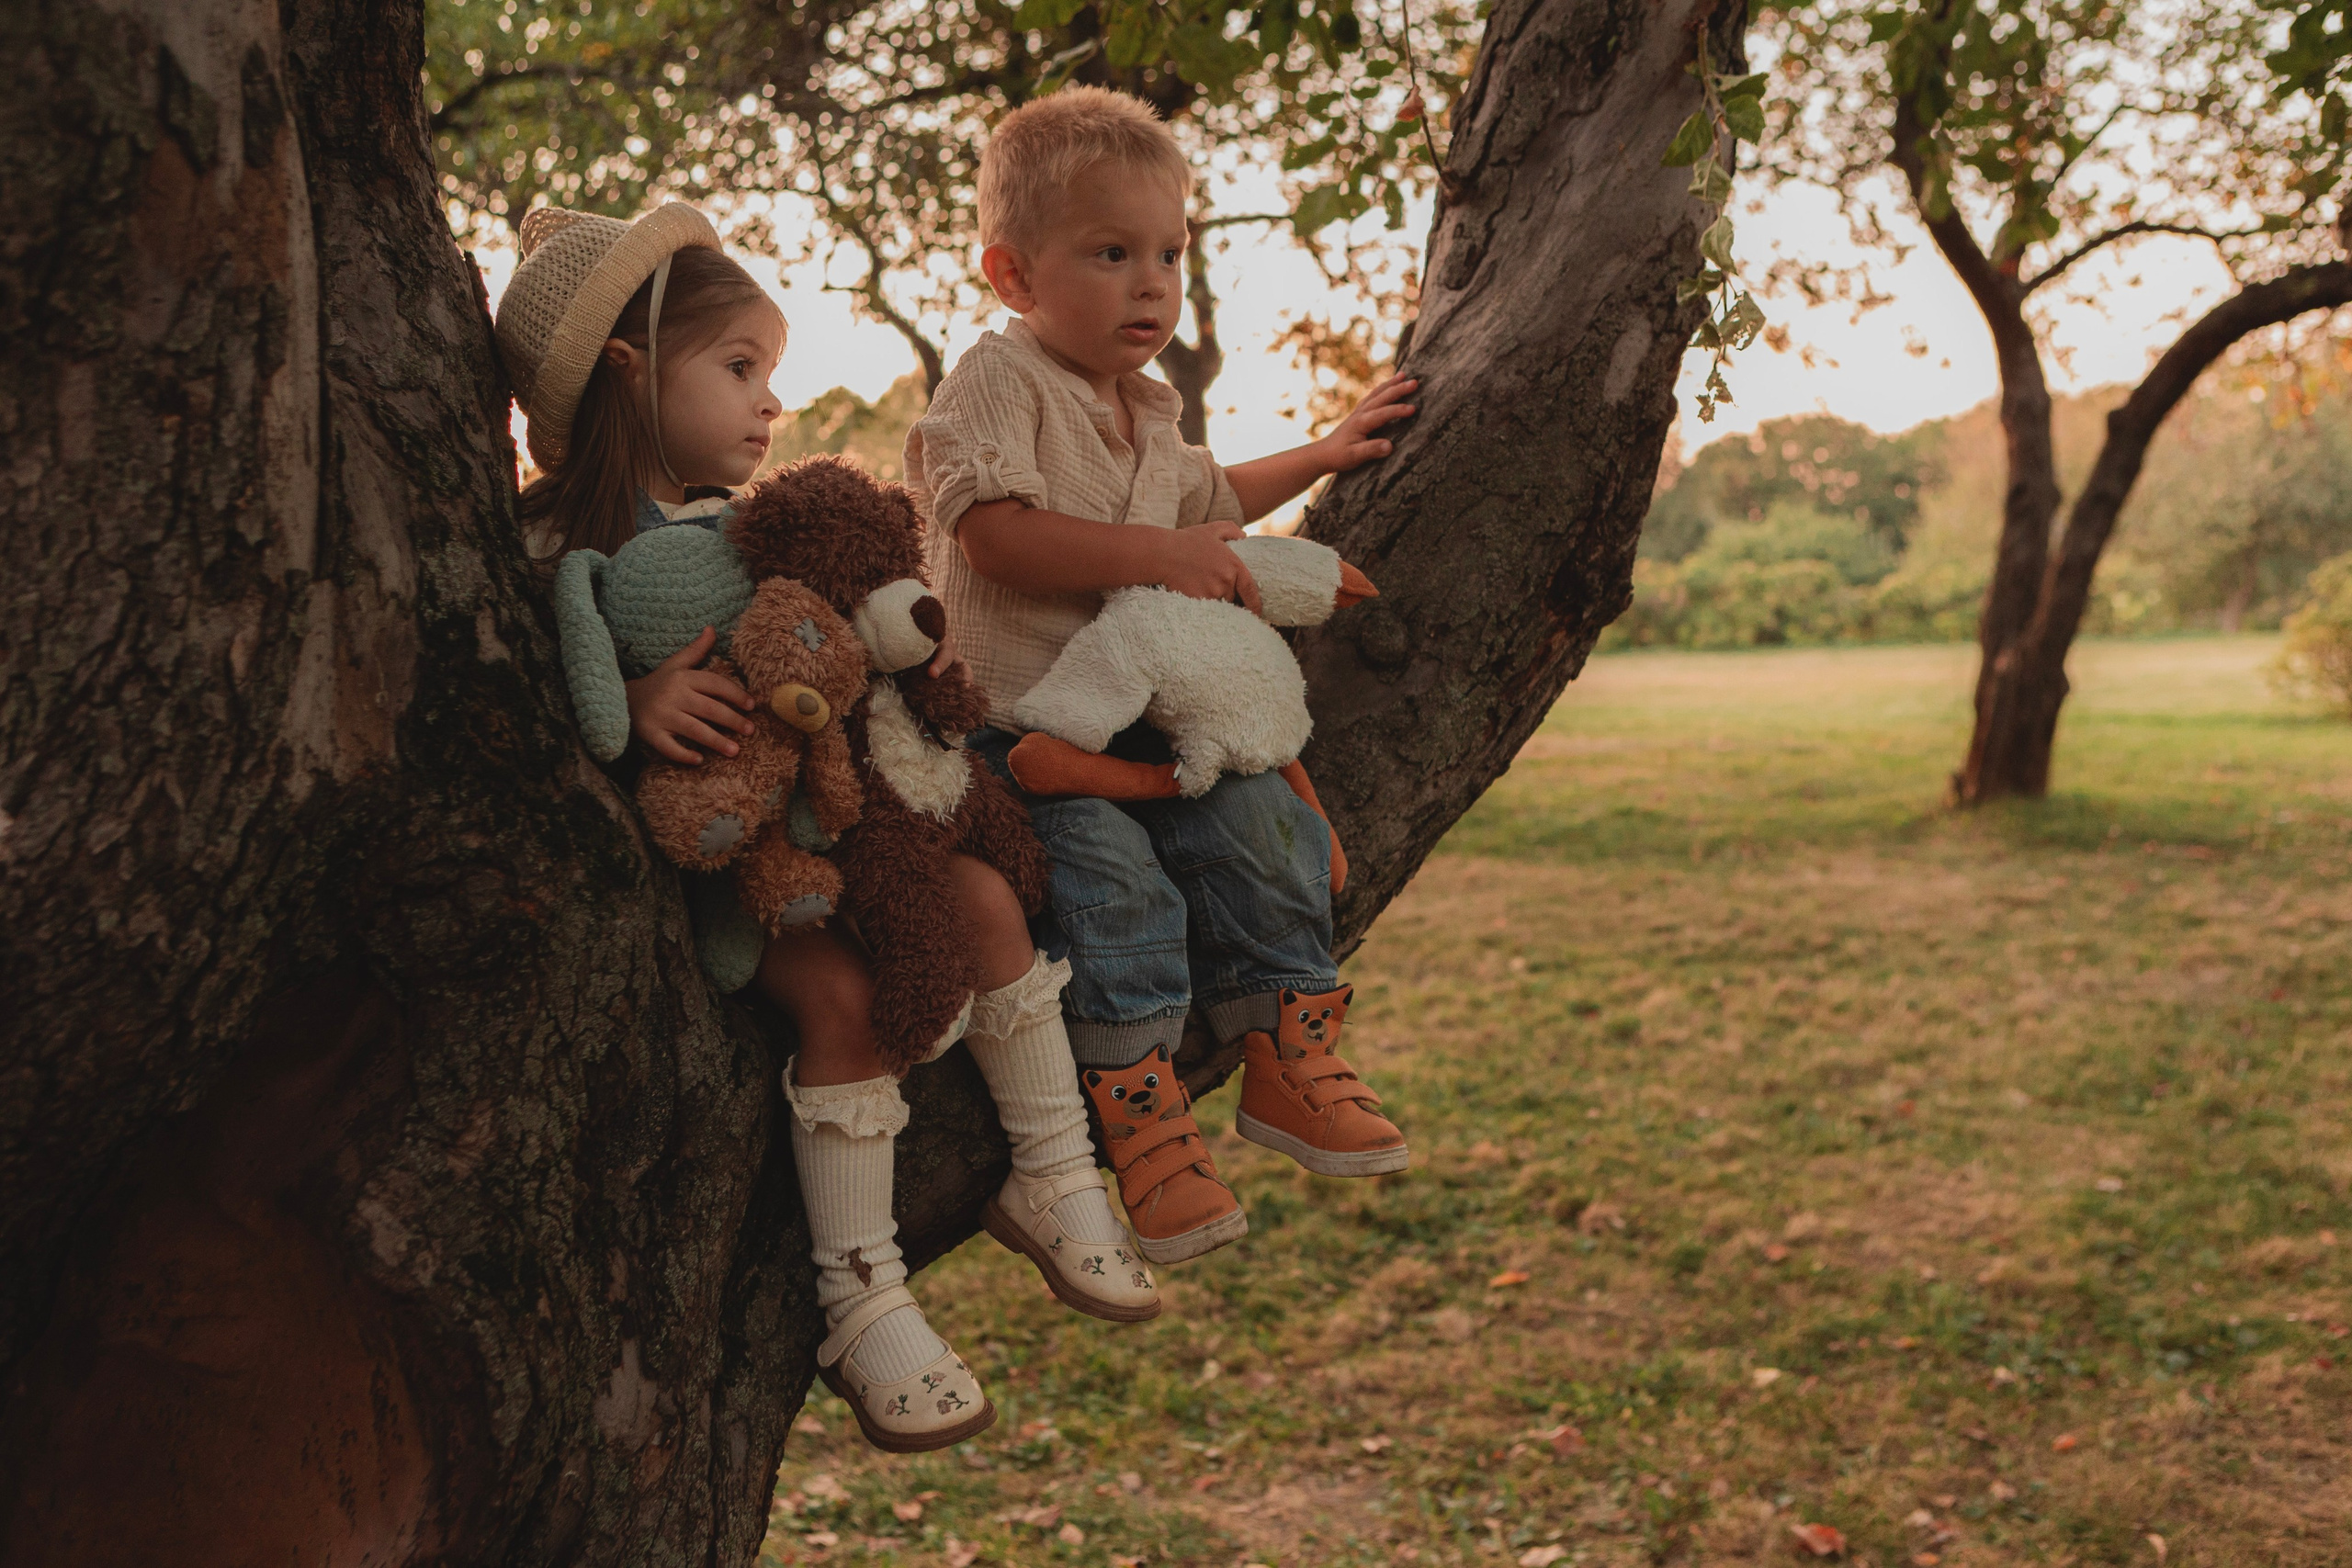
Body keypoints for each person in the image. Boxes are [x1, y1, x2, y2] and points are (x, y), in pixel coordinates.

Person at [493, 204, 1156, 1455]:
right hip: (735, 880)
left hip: (854, 822)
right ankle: (862, 1296)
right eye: (739, 369)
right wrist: (634, 706)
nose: (768, 407)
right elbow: (533, 699)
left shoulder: (750, 527)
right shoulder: (545, 545)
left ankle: (1054, 1168)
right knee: (840, 996)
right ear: (629, 372)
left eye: (771, 376)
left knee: (990, 902)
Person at [903, 88, 1419, 1267]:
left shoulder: (1145, 408)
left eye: (1171, 254)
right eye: (1112, 252)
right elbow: (996, 536)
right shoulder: (998, 382)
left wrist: (1325, 451)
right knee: (1110, 880)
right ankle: (1137, 1116)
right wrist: (1169, 560)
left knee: (1265, 831)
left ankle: (1288, 1051)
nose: (1153, 283)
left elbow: (1212, 501)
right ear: (1011, 275)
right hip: (1020, 735)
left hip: (1145, 732)